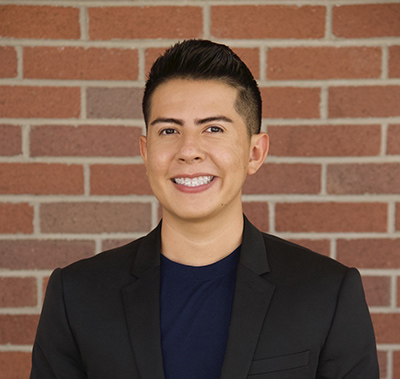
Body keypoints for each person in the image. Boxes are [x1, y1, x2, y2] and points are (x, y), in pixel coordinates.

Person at [30, 40, 379, 379]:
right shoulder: (76, 295)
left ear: (255, 153)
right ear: (145, 151)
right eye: (169, 130)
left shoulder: (328, 293)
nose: (189, 151)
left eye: (213, 129)